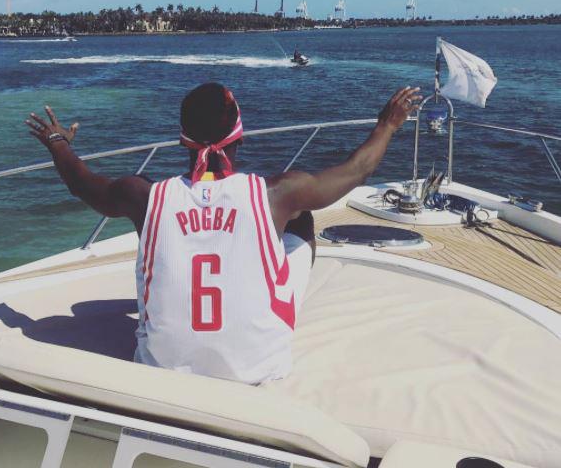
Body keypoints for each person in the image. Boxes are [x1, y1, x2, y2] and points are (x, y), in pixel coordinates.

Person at [26, 83, 420, 384]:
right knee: (300, 218)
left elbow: (83, 183)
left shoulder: (143, 196)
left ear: (183, 138)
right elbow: (357, 170)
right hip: (258, 368)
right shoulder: (279, 193)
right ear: (239, 134)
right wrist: (388, 123)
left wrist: (58, 143)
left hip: (161, 367)